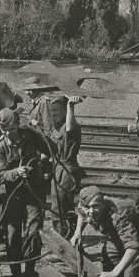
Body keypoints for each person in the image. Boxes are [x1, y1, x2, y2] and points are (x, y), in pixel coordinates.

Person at [0, 107, 51, 277]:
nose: (8, 133)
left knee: (33, 232)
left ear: (18, 124)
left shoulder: (30, 136)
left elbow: (51, 149)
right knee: (12, 236)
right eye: (5, 130)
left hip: (33, 192)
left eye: (11, 129)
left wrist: (42, 134)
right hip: (12, 197)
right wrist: (16, 173)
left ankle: (29, 275)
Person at [71, 186, 139, 277]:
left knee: (130, 276)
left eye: (95, 206)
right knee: (107, 263)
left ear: (102, 204)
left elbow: (133, 246)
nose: (91, 211)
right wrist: (77, 232)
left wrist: (114, 274)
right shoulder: (85, 207)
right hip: (115, 235)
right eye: (87, 207)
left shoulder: (117, 215)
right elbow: (81, 211)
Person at [49, 96, 84, 237]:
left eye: (57, 111)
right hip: (57, 169)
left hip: (67, 171)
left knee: (61, 207)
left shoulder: (71, 126)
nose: (54, 115)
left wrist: (70, 106)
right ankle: (65, 238)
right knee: (57, 206)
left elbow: (69, 128)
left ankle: (64, 240)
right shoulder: (55, 129)